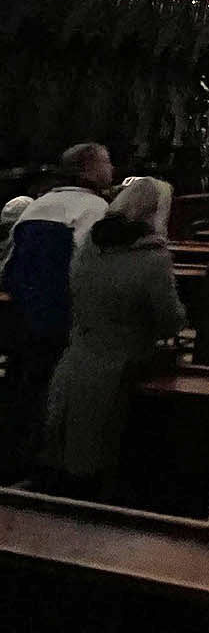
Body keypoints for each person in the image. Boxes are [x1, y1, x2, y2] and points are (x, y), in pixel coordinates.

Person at [44, 177, 185, 497]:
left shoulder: (90, 245)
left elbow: (76, 292)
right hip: (122, 367)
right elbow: (169, 321)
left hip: (76, 357)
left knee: (67, 451)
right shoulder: (153, 257)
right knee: (106, 454)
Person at [3, 144, 113, 468]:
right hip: (66, 317)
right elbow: (89, 268)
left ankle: (13, 452)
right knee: (52, 393)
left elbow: (10, 264)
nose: (112, 169)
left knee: (23, 383)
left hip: (22, 315)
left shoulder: (37, 206)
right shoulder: (95, 210)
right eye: (106, 162)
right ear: (87, 169)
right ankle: (47, 461)